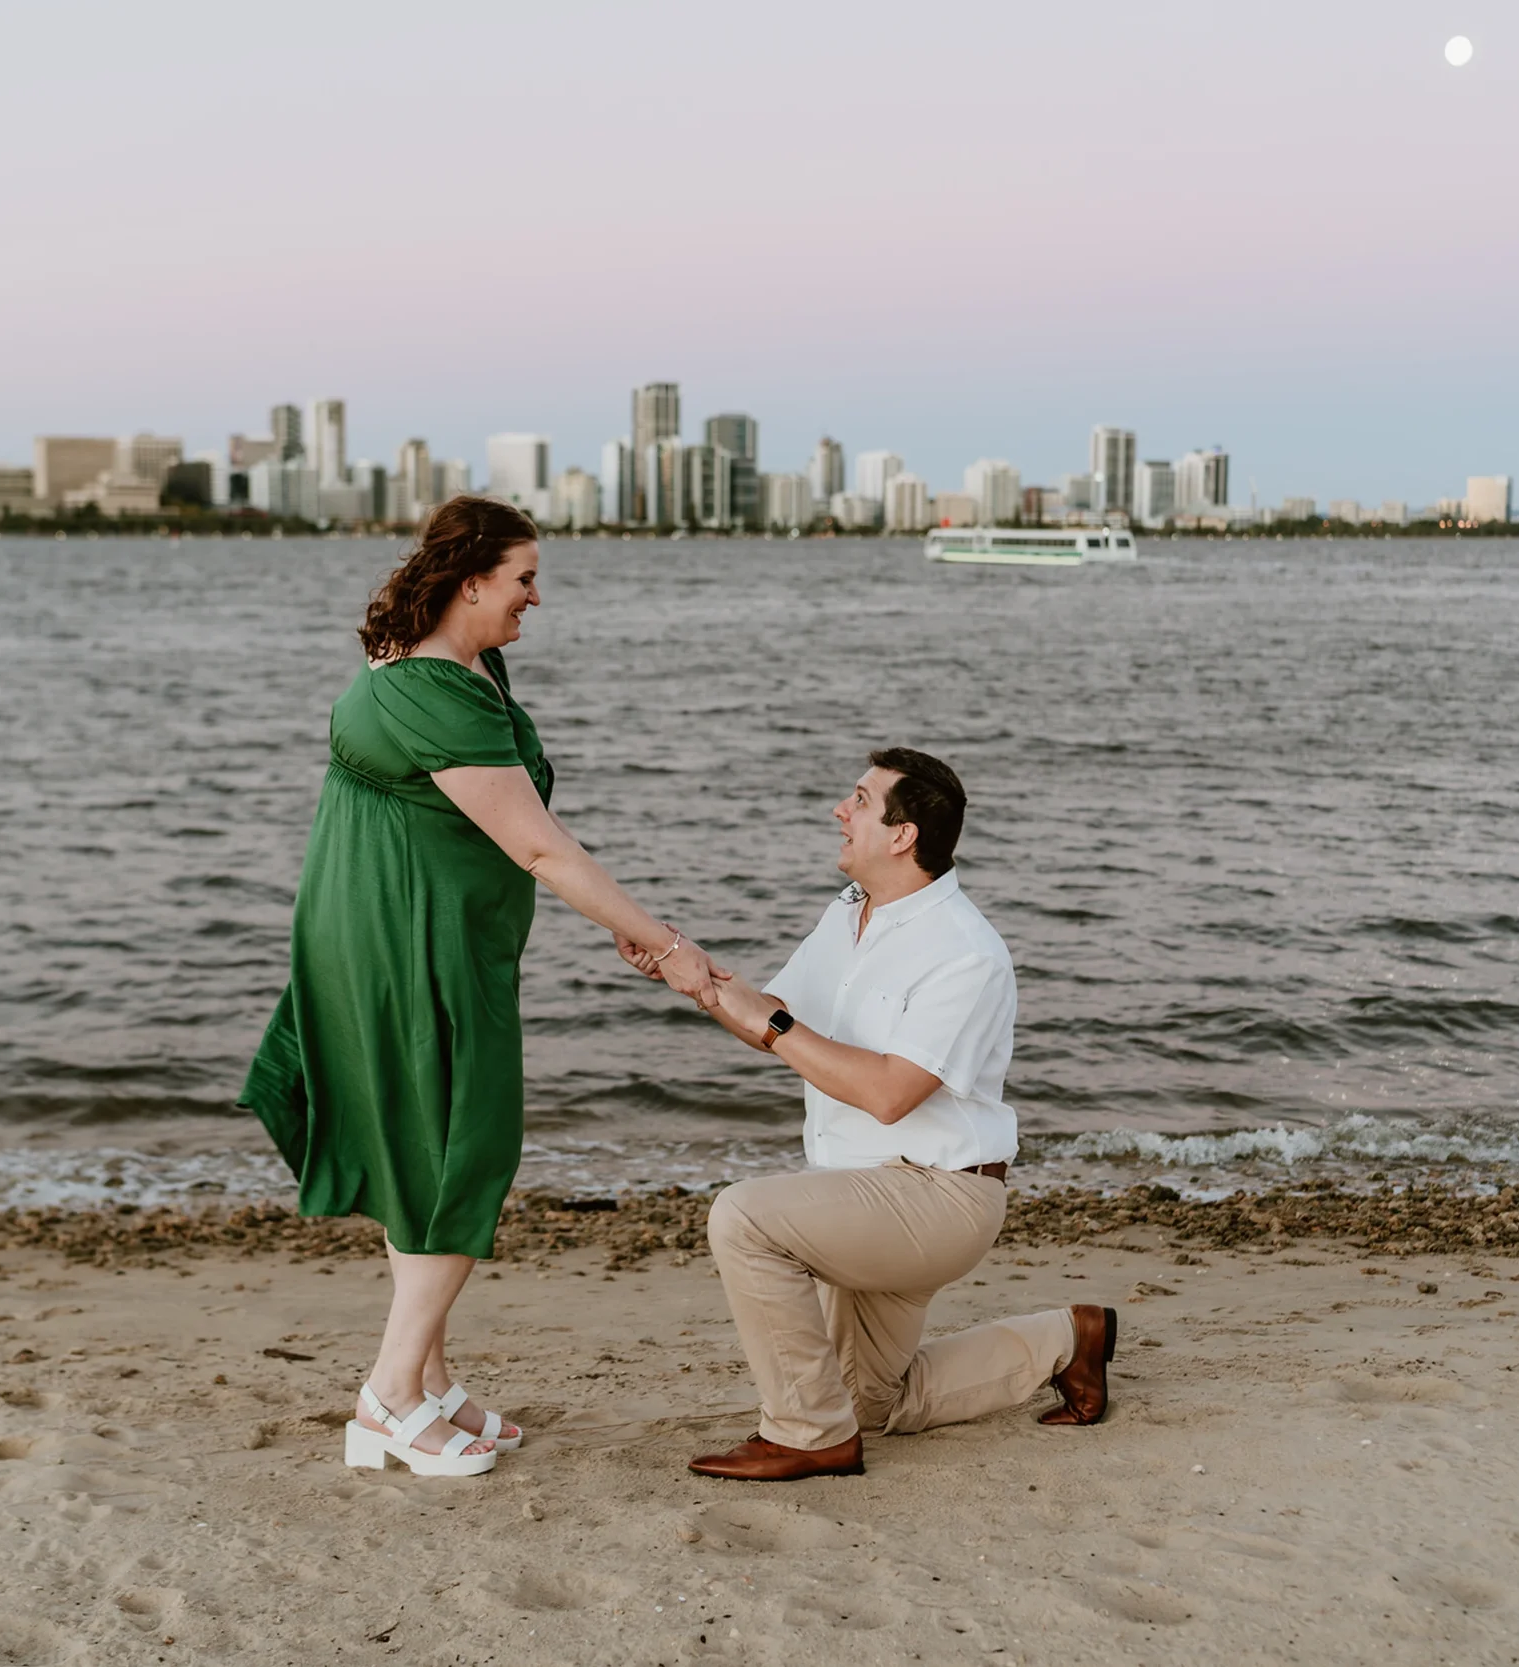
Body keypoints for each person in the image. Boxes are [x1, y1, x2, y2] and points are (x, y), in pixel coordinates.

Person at [242, 496, 719, 1478]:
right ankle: (384, 1399)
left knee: (420, 1145)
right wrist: (665, 944)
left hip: (394, 922)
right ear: (471, 580)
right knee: (465, 1146)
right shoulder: (433, 688)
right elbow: (538, 843)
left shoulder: (437, 658)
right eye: (523, 577)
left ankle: (427, 1381)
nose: (536, 597)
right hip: (409, 939)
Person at [625, 748, 1114, 1481]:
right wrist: (689, 972)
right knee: (873, 1400)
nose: (839, 810)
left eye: (859, 798)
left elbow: (889, 1093)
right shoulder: (849, 916)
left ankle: (806, 1433)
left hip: (938, 1194)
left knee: (744, 1217)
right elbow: (778, 1021)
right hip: (862, 1193)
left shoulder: (965, 951)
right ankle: (1067, 1340)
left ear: (902, 834)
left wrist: (776, 1027)